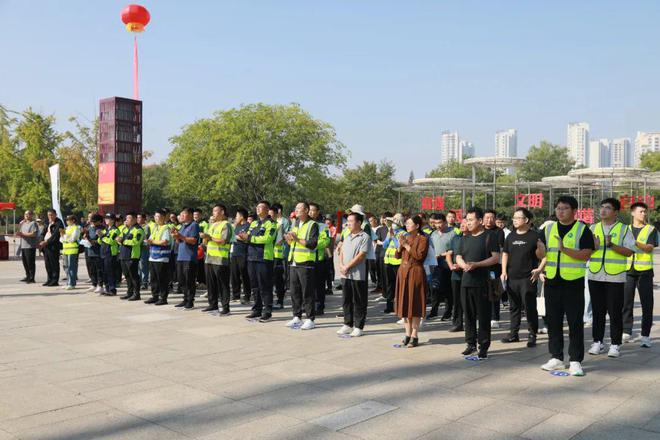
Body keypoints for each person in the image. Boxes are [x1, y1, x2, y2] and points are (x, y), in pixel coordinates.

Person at [538, 195, 595, 376]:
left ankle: (576, 360)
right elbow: (541, 254)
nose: (560, 211)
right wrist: (539, 251)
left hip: (573, 283)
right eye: (558, 208)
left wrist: (565, 250)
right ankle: (556, 357)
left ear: (574, 210)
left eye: (564, 208)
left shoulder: (582, 229)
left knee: (575, 323)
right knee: (553, 321)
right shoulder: (548, 229)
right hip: (552, 281)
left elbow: (586, 254)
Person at [586, 198, 635, 358]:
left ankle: (615, 344)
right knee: (598, 312)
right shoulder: (593, 228)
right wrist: (593, 246)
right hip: (595, 275)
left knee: (614, 312)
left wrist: (612, 245)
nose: (603, 210)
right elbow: (586, 252)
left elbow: (629, 252)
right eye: (602, 207)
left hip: (615, 277)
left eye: (608, 208)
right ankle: (597, 342)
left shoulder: (623, 229)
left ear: (616, 212)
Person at [456, 207, 500, 359]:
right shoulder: (465, 238)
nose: (467, 223)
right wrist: (464, 266)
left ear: (480, 221)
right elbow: (458, 257)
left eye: (471, 220)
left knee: (483, 315)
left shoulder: (490, 236)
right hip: (466, 282)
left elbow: (495, 258)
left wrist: (477, 264)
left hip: (483, 282)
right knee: (468, 315)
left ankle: (484, 346)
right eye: (466, 220)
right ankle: (470, 344)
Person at [500, 208, 544, 347]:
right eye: (514, 217)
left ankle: (532, 334)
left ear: (526, 220)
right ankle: (514, 334)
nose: (514, 220)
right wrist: (503, 271)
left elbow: (545, 256)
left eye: (518, 218)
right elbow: (505, 254)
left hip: (528, 278)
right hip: (512, 277)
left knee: (530, 307)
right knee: (514, 307)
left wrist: (539, 270)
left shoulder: (535, 236)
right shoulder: (511, 236)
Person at [623, 202, 656, 348]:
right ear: (632, 213)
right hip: (628, 271)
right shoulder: (625, 229)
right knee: (626, 303)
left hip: (645, 272)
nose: (644, 214)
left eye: (645, 212)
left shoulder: (651, 229)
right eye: (641, 211)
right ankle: (626, 331)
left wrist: (634, 243)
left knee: (647, 305)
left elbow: (649, 248)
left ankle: (645, 335)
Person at [394, 215, 429, 348]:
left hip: (415, 272)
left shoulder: (423, 239)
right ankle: (407, 333)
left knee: (415, 303)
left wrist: (406, 245)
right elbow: (397, 256)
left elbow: (419, 256)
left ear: (417, 226)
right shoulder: (405, 238)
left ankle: (415, 334)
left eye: (410, 224)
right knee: (404, 302)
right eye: (406, 224)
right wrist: (399, 245)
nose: (407, 226)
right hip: (403, 272)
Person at [239, 201, 277, 322]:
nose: (258, 209)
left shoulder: (271, 224)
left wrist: (249, 238)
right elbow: (248, 235)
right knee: (254, 285)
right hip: (251, 257)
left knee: (265, 285)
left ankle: (267, 310)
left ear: (267, 210)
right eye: (257, 207)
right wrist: (243, 237)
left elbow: (267, 238)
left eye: (260, 207)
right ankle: (257, 309)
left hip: (264, 258)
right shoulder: (254, 222)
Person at [336, 212, 372, 337]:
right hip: (345, 274)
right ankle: (347, 323)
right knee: (346, 300)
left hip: (358, 274)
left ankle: (358, 326)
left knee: (359, 300)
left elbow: (361, 256)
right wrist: (341, 265)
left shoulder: (365, 237)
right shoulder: (347, 235)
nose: (348, 223)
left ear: (359, 223)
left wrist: (347, 266)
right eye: (348, 221)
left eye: (351, 221)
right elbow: (341, 252)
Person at [285, 202, 319, 330]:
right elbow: (292, 242)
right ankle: (297, 316)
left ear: (306, 210)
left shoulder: (312, 224)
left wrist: (297, 239)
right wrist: (289, 239)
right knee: (294, 291)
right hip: (293, 261)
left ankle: (310, 318)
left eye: (299, 208)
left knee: (307, 292)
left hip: (306, 263)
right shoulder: (295, 223)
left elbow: (312, 244)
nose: (296, 210)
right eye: (296, 208)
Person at [201, 204, 233, 314]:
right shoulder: (212, 225)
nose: (213, 213)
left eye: (215, 211)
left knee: (223, 284)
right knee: (211, 283)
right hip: (209, 258)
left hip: (220, 259)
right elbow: (207, 241)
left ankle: (225, 307)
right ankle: (213, 304)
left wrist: (209, 237)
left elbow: (223, 240)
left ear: (222, 212)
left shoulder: (226, 225)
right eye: (213, 211)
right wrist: (205, 238)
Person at [428, 213, 455, 320]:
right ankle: (434, 311)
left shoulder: (453, 233)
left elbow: (454, 249)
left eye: (440, 223)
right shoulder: (433, 234)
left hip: (447, 264)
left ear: (444, 222)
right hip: (435, 265)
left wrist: (441, 255)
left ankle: (448, 312)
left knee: (447, 289)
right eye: (436, 223)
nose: (438, 225)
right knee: (434, 288)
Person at [172, 207, 200, 309]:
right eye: (181, 214)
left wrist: (181, 236)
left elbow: (193, 240)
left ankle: (190, 301)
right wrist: (176, 237)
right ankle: (185, 299)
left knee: (189, 280)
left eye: (183, 214)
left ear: (190, 215)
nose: (181, 216)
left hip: (189, 257)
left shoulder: (194, 225)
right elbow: (179, 241)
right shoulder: (182, 226)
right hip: (180, 256)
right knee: (181, 279)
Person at [483, 209, 505, 329]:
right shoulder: (480, 231)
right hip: (481, 265)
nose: (489, 220)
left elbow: (500, 247)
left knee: (495, 292)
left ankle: (495, 317)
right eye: (487, 217)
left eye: (492, 218)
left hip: (495, 266)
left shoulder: (499, 231)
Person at [145, 209, 172, 305]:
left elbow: (165, 242)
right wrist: (149, 241)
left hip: (162, 257)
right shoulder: (155, 227)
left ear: (164, 217)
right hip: (153, 256)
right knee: (153, 279)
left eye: (159, 216)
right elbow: (151, 239)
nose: (157, 218)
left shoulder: (166, 228)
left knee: (162, 279)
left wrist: (151, 242)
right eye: (155, 216)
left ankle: (163, 298)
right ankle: (154, 296)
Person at [445, 218, 468, 332]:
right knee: (457, 300)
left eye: (465, 223)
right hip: (456, 274)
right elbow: (449, 254)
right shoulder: (455, 238)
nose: (462, 225)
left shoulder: (473, 238)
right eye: (461, 223)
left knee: (468, 300)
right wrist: (451, 266)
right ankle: (457, 323)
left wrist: (462, 265)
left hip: (468, 273)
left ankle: (470, 323)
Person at [116, 212, 144, 301]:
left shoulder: (138, 229)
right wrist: (119, 240)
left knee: (134, 276)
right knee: (127, 276)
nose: (127, 220)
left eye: (129, 218)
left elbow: (136, 242)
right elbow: (118, 238)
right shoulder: (126, 229)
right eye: (126, 218)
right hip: (123, 255)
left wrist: (123, 241)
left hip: (132, 256)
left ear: (135, 219)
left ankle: (137, 294)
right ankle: (129, 292)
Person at [309, 202, 330, 315]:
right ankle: (307, 305)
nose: (311, 212)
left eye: (313, 210)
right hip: (305, 259)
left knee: (319, 285)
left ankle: (319, 306)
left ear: (317, 212)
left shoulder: (323, 226)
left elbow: (326, 240)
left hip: (318, 259)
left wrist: (312, 244)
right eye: (309, 210)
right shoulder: (303, 225)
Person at [382, 213, 405, 313]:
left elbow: (399, 247)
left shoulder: (403, 233)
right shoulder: (390, 232)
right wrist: (389, 236)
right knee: (389, 285)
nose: (391, 224)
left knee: (398, 285)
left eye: (393, 222)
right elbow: (384, 245)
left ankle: (399, 306)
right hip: (388, 262)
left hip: (398, 263)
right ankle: (389, 305)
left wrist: (393, 237)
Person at [270, 203, 290, 309]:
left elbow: (285, 236)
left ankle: (280, 300)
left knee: (279, 279)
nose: (270, 216)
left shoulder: (284, 222)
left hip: (280, 255)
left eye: (271, 214)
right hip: (270, 255)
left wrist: (280, 240)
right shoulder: (270, 223)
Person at [230, 208, 251, 304]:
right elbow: (235, 236)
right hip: (235, 253)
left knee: (245, 275)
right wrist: (237, 236)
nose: (235, 218)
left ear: (242, 217)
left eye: (237, 216)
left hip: (244, 253)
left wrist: (236, 237)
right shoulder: (237, 226)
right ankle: (235, 295)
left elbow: (246, 238)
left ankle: (247, 295)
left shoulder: (248, 226)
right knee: (234, 274)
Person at [39, 209, 64, 286]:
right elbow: (43, 233)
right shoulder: (47, 222)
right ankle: (49, 279)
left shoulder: (59, 223)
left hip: (53, 246)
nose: (50, 216)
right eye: (49, 215)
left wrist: (46, 242)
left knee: (54, 263)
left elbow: (55, 235)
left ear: (55, 214)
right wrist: (41, 241)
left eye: (51, 215)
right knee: (48, 264)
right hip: (46, 246)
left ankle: (54, 280)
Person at [83, 214, 105, 293]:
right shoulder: (90, 228)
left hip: (98, 252)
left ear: (99, 221)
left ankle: (100, 285)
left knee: (99, 270)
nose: (93, 223)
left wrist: (89, 239)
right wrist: (85, 237)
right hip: (90, 251)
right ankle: (94, 284)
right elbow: (88, 236)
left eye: (94, 222)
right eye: (92, 221)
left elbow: (99, 240)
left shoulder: (102, 229)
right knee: (92, 269)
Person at [99, 213, 120, 296]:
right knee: (104, 272)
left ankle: (112, 289)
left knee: (110, 272)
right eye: (106, 218)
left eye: (108, 218)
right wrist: (101, 236)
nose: (106, 220)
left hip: (110, 253)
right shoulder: (106, 229)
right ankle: (107, 288)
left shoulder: (115, 230)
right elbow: (99, 241)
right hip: (103, 252)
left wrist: (102, 237)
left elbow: (111, 241)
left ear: (113, 220)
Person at [60, 215, 81, 290]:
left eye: (69, 220)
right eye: (66, 220)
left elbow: (73, 239)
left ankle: (72, 283)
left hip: (72, 249)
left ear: (73, 220)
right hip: (65, 250)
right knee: (66, 266)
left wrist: (64, 236)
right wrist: (64, 236)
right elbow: (61, 239)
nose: (67, 221)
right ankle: (68, 282)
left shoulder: (76, 228)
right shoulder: (66, 228)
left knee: (72, 267)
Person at [17, 210, 38, 283]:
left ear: (31, 215)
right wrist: (20, 225)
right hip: (23, 245)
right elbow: (19, 232)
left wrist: (22, 234)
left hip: (30, 246)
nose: (26, 215)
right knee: (25, 262)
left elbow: (33, 234)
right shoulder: (23, 223)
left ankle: (32, 278)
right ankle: (28, 276)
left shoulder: (33, 223)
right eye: (25, 214)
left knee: (30, 263)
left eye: (28, 214)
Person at [193, 208, 208, 288]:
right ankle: (195, 281)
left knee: (200, 265)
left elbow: (205, 235)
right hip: (192, 246)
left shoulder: (204, 224)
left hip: (200, 246)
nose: (196, 216)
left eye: (197, 215)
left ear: (201, 215)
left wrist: (202, 245)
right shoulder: (192, 223)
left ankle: (202, 282)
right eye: (194, 215)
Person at [137, 213, 151, 290]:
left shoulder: (146, 227)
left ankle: (144, 282)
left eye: (139, 218)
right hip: (137, 249)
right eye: (137, 218)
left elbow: (145, 237)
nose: (138, 219)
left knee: (143, 265)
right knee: (138, 266)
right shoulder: (136, 227)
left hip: (144, 248)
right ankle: (139, 281)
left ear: (143, 219)